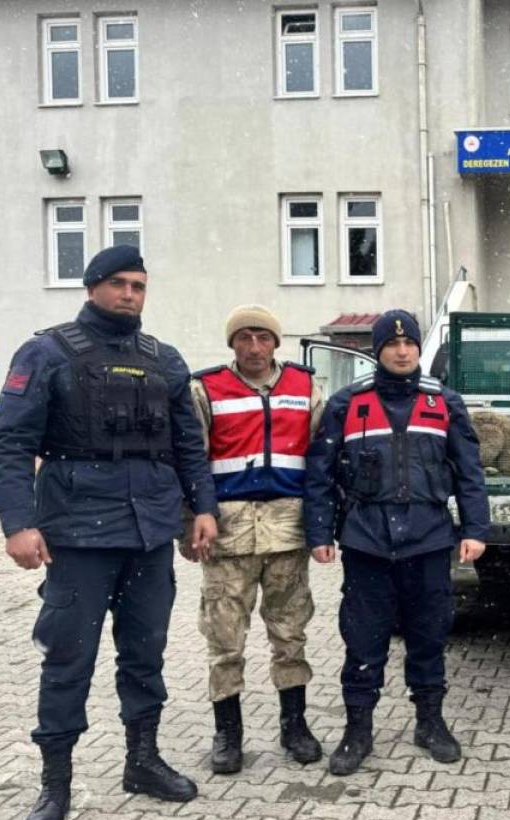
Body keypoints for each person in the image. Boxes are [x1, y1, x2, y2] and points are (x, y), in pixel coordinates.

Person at [0, 245, 219, 820]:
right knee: (68, 660)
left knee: (145, 655)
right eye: (118, 284)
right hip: (78, 534)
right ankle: (56, 784)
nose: (130, 295)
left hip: (148, 534)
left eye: (139, 285)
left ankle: (141, 761)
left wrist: (203, 509)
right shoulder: (46, 353)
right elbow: (10, 445)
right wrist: (17, 524)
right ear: (92, 286)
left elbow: (189, 446)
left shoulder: (164, 359)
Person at [304, 309, 490, 773]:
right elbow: (320, 474)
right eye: (392, 344)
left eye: (409, 344)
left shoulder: (445, 402)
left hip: (427, 542)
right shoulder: (347, 404)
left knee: (429, 637)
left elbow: (470, 473)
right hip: (367, 543)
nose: (402, 352)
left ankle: (430, 723)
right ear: (378, 351)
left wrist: (474, 529)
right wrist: (319, 532)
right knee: (363, 641)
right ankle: (357, 731)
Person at [184, 305, 325, 774]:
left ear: (276, 342)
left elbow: (322, 460)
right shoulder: (206, 389)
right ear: (232, 344)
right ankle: (228, 733)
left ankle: (295, 724)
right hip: (228, 534)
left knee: (290, 633)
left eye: (263, 337)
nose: (254, 347)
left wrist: (324, 525)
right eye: (243, 337)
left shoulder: (305, 387)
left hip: (288, 530)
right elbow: (190, 461)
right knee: (225, 639)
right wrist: (190, 523)